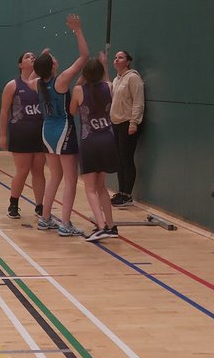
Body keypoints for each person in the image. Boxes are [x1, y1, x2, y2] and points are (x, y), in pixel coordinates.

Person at [32, 13, 89, 236]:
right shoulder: (62, 79)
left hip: (46, 130)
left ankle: (45, 218)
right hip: (63, 129)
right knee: (70, 179)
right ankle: (65, 223)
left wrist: (41, 59)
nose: (56, 58)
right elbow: (84, 56)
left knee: (55, 176)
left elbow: (31, 76)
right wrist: (77, 30)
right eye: (53, 58)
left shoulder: (37, 83)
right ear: (53, 65)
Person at [70, 55, 120, 242]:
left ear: (85, 74)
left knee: (90, 188)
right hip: (108, 139)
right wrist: (104, 65)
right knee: (101, 187)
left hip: (90, 141)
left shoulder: (78, 90)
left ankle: (101, 227)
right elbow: (105, 80)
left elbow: (71, 111)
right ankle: (111, 225)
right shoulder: (109, 87)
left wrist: (82, 78)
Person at [0, 51, 45, 220]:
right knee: (23, 170)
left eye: (33, 56)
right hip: (20, 132)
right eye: (27, 57)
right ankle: (14, 203)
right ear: (20, 65)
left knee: (39, 171)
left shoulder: (40, 84)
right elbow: (4, 112)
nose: (31, 58)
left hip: (39, 132)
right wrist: (3, 135)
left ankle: (40, 206)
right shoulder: (13, 85)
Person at [109, 49, 145, 206]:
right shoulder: (116, 80)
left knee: (127, 159)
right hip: (116, 124)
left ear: (128, 61)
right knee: (119, 160)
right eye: (115, 57)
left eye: (120, 57)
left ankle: (127, 195)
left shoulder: (133, 78)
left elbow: (138, 101)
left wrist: (134, 122)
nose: (116, 60)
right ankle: (121, 192)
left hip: (127, 124)